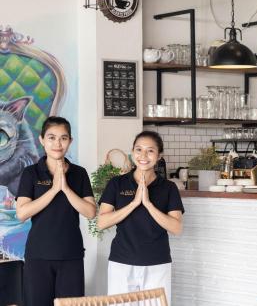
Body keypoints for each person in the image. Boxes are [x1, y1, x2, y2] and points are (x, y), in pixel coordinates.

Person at [16, 116, 96, 306]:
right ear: (42, 140)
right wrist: (53, 190)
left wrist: (66, 188)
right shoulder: (31, 173)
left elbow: (90, 212)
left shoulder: (79, 173)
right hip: (38, 256)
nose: (57, 143)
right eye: (51, 137)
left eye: (63, 138)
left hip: (71, 255)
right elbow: (22, 213)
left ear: (70, 141)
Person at [97, 131, 184, 305]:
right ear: (132, 152)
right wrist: (134, 203)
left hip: (157, 263)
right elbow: (102, 222)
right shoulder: (117, 183)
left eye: (150, 151)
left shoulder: (168, 188)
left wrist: (148, 204)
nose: (143, 155)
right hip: (122, 262)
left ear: (159, 156)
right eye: (139, 149)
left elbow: (176, 228)